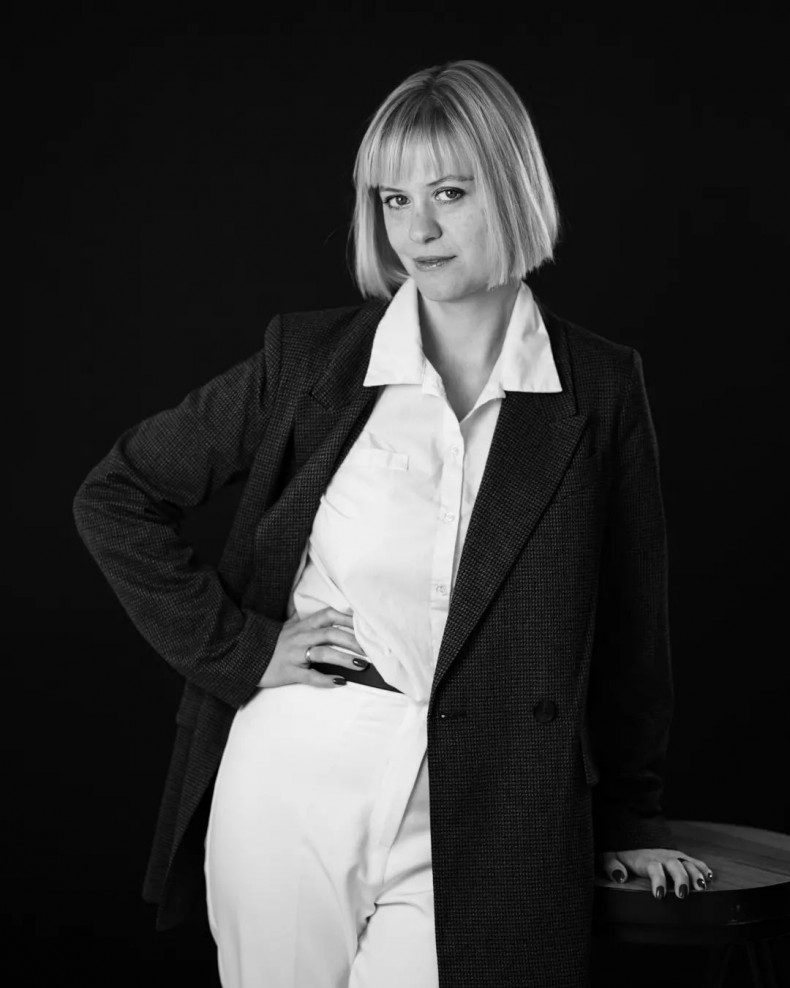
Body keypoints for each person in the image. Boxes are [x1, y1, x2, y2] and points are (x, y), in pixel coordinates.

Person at [72, 59, 713, 988]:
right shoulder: (310, 361)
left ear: (514, 188)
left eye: (450, 193)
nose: (418, 230)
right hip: (296, 774)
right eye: (393, 198)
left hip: (495, 798)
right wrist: (241, 650)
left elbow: (630, 632)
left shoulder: (600, 387)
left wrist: (631, 820)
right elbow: (116, 496)